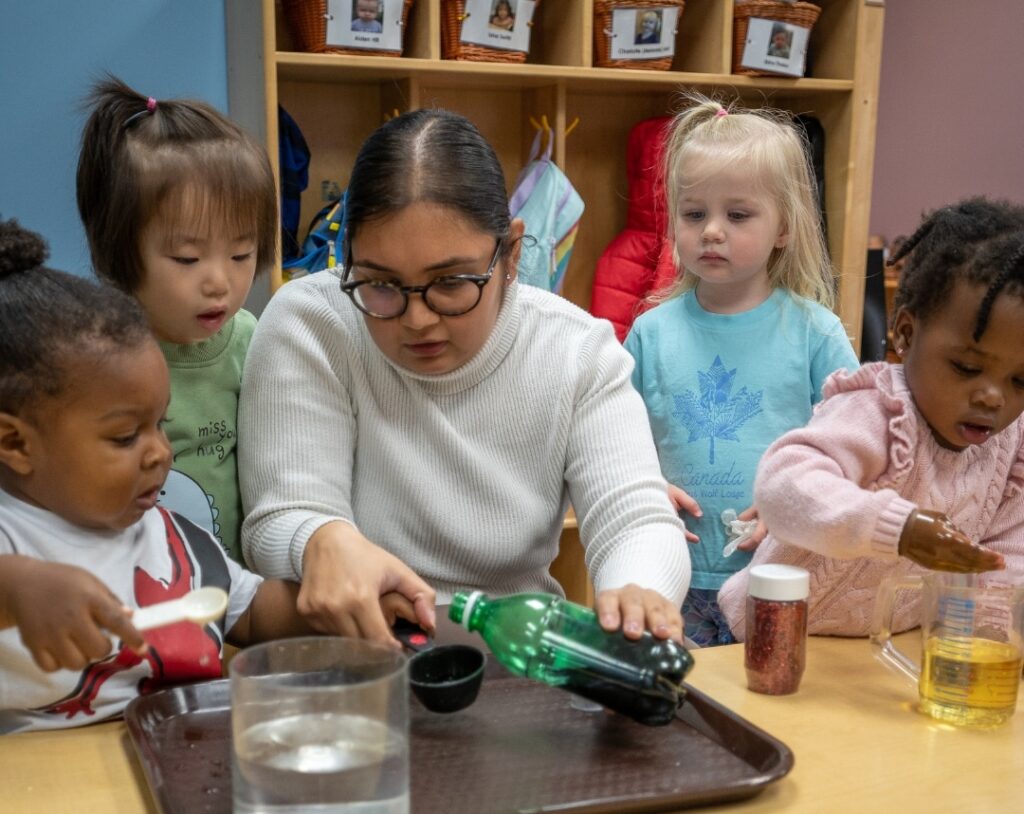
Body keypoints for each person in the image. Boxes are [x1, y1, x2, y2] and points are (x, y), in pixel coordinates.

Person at [239, 108, 691, 646]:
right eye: (380, 284)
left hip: (519, 657)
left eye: (450, 282)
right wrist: (318, 537)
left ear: (511, 254)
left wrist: (638, 593)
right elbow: (280, 517)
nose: (417, 319)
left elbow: (635, 515)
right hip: (359, 660)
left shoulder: (577, 350)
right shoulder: (312, 323)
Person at [0, 218, 317, 733]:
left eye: (160, 425)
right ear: (15, 443)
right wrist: (15, 591)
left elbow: (253, 611)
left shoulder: (169, 537)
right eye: (126, 436)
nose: (161, 453)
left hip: (182, 761)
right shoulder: (11, 539)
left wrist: (339, 602)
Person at [718, 197, 1022, 638]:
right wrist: (897, 529)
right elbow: (782, 488)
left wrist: (991, 636)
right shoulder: (878, 411)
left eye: (1021, 381)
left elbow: (1007, 558)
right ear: (904, 334)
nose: (994, 397)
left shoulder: (1012, 446)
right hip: (767, 639)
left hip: (872, 655)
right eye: (967, 368)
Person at [624, 94, 859, 647]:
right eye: (694, 213)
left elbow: (859, 443)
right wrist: (643, 485)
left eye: (737, 215)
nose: (711, 231)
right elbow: (612, 440)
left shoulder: (813, 332)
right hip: (670, 574)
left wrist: (800, 505)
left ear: (783, 228)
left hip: (783, 574)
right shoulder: (649, 333)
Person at [76, 76, 277, 564]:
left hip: (236, 593)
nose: (219, 283)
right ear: (121, 251)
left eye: (241, 253)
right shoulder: (97, 354)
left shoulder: (251, 341)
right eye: (188, 259)